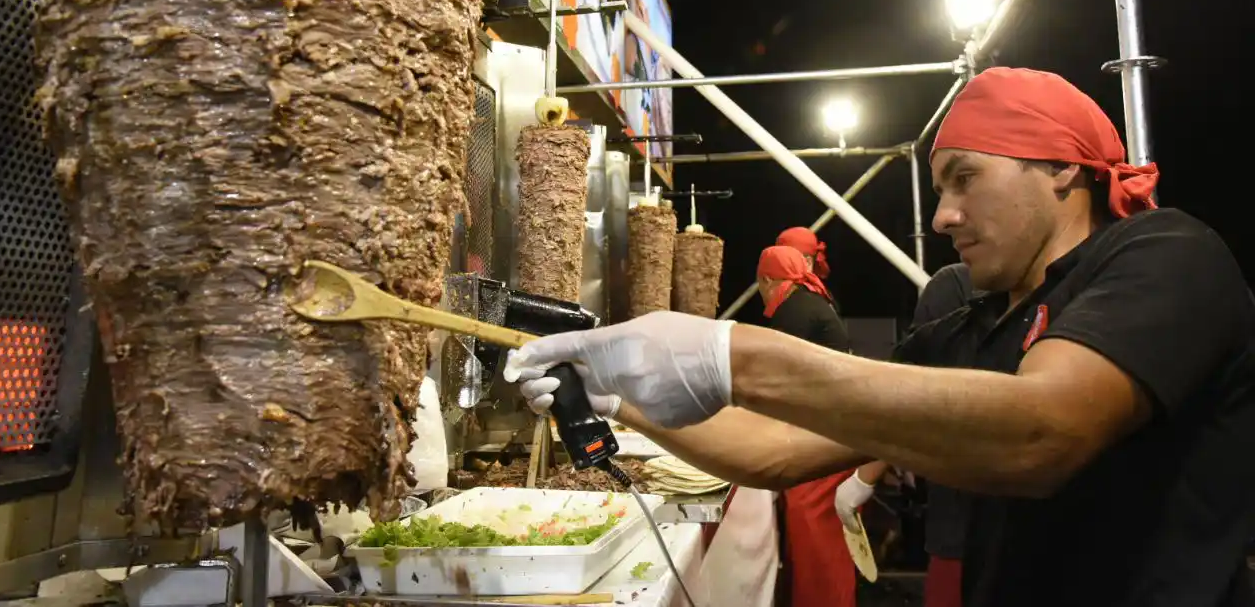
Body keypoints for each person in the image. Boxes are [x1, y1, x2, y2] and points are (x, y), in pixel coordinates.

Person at [507, 67, 1255, 606]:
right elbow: (775, 454)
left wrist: (731, 354)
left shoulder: (1166, 257)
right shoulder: (966, 326)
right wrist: (618, 397)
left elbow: (1043, 430)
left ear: (1061, 166)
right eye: (939, 189)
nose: (942, 217)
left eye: (965, 178)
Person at [835, 263, 980, 607]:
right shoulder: (1089, 282)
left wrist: (867, 474)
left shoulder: (957, 284)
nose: (944, 219)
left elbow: (918, 389)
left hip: (966, 527)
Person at [755, 245, 856, 607]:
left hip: (822, 440)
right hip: (831, 433)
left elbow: (779, 382)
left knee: (815, 534)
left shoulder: (793, 312)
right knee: (820, 538)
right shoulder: (812, 301)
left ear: (767, 279)